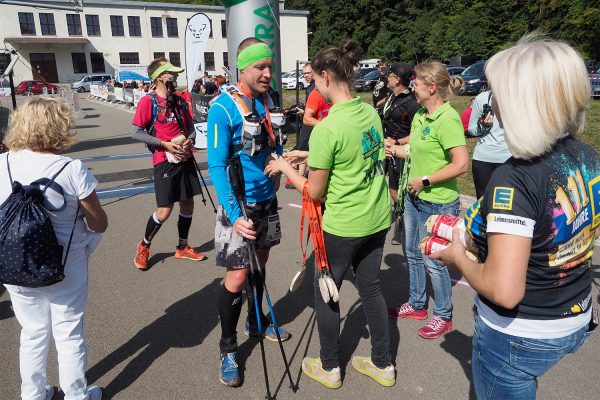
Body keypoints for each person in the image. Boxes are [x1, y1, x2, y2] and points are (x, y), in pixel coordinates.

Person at [431, 37, 597, 400]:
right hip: (575, 313)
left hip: (521, 331)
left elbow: (505, 291)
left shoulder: (516, 178)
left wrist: (458, 255)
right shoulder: (585, 154)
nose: (493, 102)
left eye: (497, 91)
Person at [265, 39, 396, 389]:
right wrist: (307, 156)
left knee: (326, 291)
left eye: (313, 79)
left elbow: (314, 191)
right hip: (377, 218)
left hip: (343, 225)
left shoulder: (327, 128)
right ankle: (383, 364)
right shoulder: (368, 111)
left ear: (324, 76)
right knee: (371, 288)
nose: (312, 85)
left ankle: (329, 366)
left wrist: (283, 165)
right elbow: (354, 156)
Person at [0, 97, 107, 400]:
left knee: (32, 332)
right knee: (69, 332)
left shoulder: (2, 163)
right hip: (65, 264)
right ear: (61, 127)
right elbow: (100, 223)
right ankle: (76, 395)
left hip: (15, 261)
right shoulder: (72, 169)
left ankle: (33, 395)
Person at [207, 37, 290, 387]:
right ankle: (228, 349)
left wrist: (283, 165)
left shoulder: (268, 100)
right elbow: (215, 165)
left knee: (261, 267)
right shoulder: (222, 108)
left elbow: (275, 142)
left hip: (267, 202)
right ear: (243, 69)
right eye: (260, 67)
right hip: (238, 207)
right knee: (238, 277)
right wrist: (233, 213)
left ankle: (256, 321)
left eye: (270, 66)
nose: (268, 73)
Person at [386, 60, 468, 339]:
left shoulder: (447, 119)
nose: (413, 86)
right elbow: (414, 152)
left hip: (438, 201)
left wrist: (425, 180)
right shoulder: (421, 115)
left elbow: (460, 164)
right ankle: (417, 304)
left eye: (417, 83)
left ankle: (443, 315)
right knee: (411, 252)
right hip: (414, 196)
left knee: (434, 259)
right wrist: (392, 149)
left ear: (432, 87)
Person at [131, 57, 207, 271]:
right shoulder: (149, 101)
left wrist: (190, 140)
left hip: (185, 159)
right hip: (164, 162)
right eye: (170, 73)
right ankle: (144, 245)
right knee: (164, 210)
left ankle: (182, 247)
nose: (174, 76)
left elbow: (190, 127)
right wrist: (164, 144)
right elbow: (136, 132)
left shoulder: (180, 100)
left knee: (188, 204)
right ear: (158, 78)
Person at [380, 62, 421, 245]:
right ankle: (400, 225)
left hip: (401, 153)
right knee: (391, 190)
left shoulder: (411, 103)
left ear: (397, 79)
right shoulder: (391, 97)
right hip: (387, 151)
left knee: (399, 192)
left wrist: (396, 143)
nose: (386, 77)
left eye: (389, 75)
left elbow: (417, 134)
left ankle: (406, 227)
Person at [468, 90, 511, 199]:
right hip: (483, 159)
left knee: (508, 205)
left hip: (509, 159)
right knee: (483, 203)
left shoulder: (520, 96)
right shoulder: (482, 98)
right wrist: (483, 126)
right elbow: (471, 129)